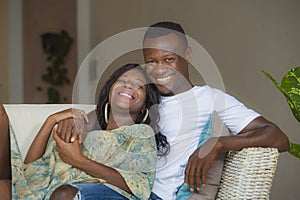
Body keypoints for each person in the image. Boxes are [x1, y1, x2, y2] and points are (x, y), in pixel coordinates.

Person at [56, 22, 290, 199]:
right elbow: (95, 120)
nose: (159, 69)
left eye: (169, 59)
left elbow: (278, 138)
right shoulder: (142, 95)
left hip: (155, 195)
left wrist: (218, 143)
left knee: (68, 195)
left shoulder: (208, 98)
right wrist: (72, 121)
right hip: (120, 186)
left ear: (187, 56)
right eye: (151, 61)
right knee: (64, 192)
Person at [0, 63, 169, 200]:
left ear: (145, 106)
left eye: (139, 85)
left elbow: (140, 185)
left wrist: (78, 160)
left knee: (65, 195)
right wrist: (51, 120)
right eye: (122, 80)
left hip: (88, 194)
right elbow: (34, 170)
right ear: (110, 89)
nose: (128, 85)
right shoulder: (82, 127)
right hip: (43, 190)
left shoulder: (141, 133)